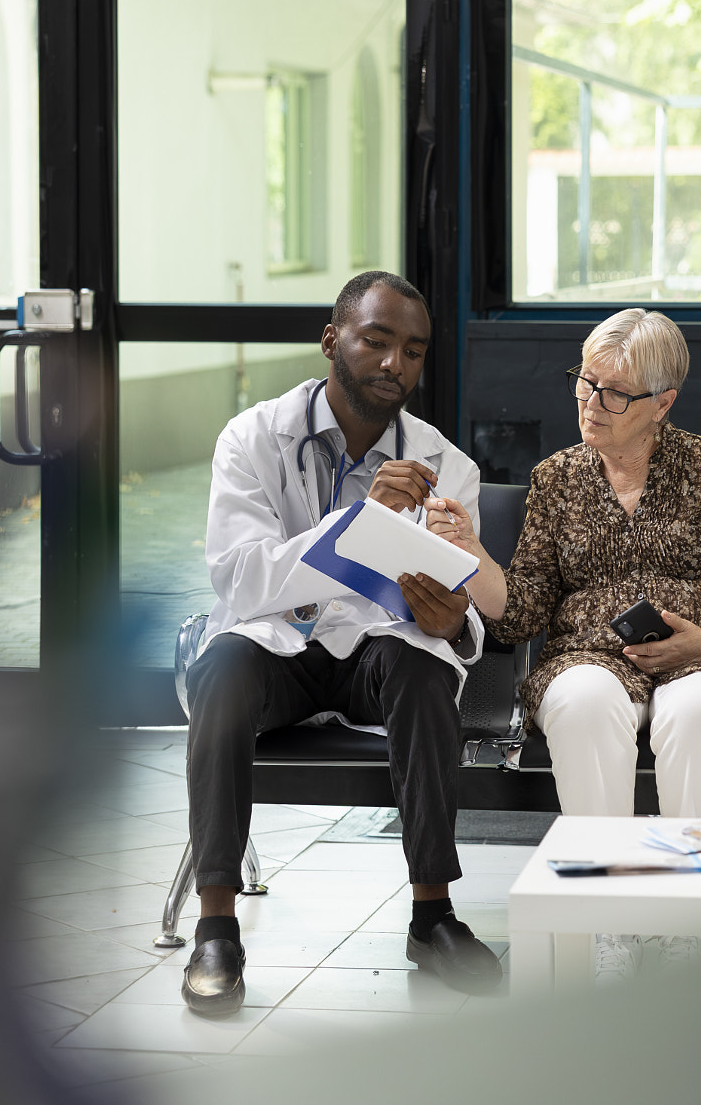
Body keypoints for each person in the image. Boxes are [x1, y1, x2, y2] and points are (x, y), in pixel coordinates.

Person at [180, 270, 500, 1015]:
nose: (396, 364)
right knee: (221, 670)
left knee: (423, 670)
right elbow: (239, 580)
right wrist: (353, 524)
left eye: (414, 352)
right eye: (377, 341)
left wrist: (450, 619)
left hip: (373, 653)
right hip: (276, 649)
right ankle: (217, 925)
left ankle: (433, 915)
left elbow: (465, 606)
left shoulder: (446, 464)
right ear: (333, 340)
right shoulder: (253, 439)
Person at [426, 309, 701, 822]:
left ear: (663, 403)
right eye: (585, 382)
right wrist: (472, 553)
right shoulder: (556, 478)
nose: (593, 404)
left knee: (696, 712)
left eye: (616, 393)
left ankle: (691, 886)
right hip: (587, 658)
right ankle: (603, 883)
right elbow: (522, 614)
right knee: (583, 705)